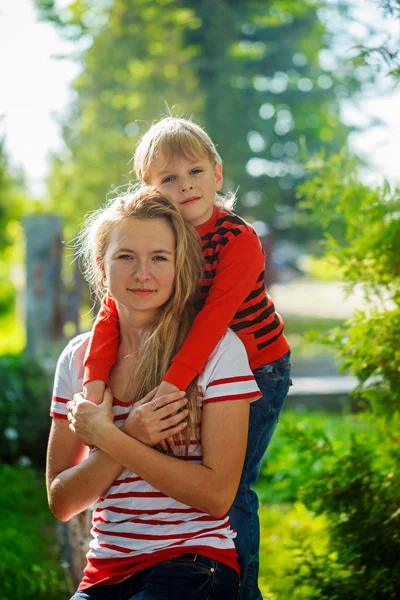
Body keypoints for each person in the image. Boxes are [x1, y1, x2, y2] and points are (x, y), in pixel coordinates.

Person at [83, 117, 292, 600]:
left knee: (232, 485)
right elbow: (110, 313)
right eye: (169, 179)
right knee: (185, 465)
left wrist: (174, 384)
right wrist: (94, 386)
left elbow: (214, 320)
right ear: (150, 189)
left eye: (196, 172)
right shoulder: (158, 238)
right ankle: (166, 555)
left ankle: (242, 590)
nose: (186, 186)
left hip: (257, 366)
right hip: (200, 366)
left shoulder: (237, 239)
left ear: (217, 174)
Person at [47, 187, 262, 599]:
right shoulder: (77, 359)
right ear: (101, 265)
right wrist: (132, 434)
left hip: (194, 564)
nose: (142, 273)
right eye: (126, 256)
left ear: (179, 265)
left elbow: (217, 497)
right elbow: (62, 501)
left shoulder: (218, 351)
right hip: (104, 572)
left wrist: (110, 436)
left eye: (159, 258)